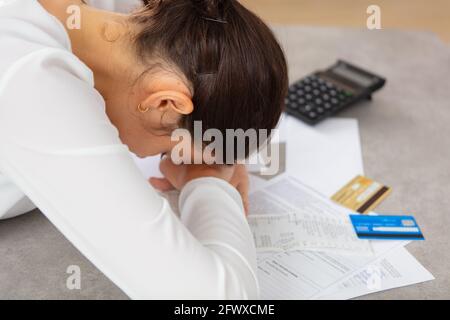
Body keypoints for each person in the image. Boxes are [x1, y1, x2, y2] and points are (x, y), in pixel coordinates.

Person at [0, 0, 288, 298]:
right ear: (166, 102)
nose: (154, 157)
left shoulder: (123, 19)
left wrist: (212, 135)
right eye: (173, 150)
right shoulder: (36, 84)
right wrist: (208, 179)